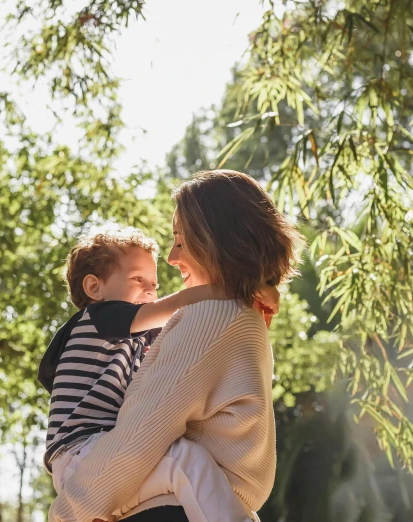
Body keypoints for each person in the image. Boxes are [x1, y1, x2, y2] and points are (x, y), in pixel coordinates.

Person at [49, 170, 304, 522]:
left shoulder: (212, 316)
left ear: (215, 239)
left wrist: (68, 512)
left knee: (186, 461)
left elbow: (141, 434)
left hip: (169, 510)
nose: (171, 257)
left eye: (181, 241)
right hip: (199, 504)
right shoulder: (239, 316)